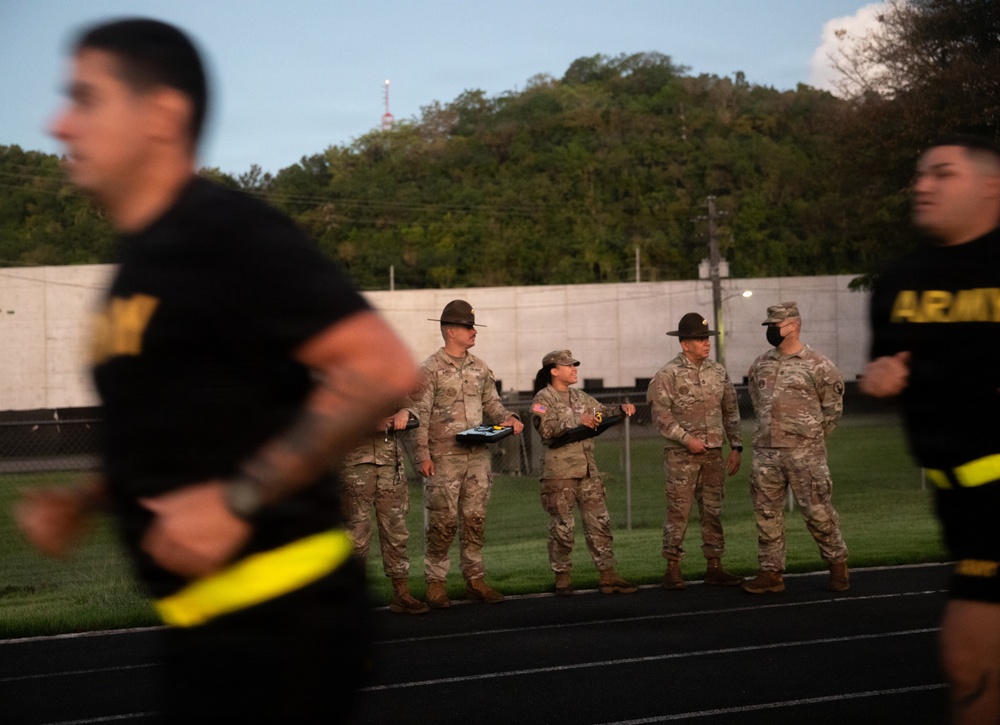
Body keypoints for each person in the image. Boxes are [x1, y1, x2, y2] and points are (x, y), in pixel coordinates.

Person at [14, 18, 417, 723]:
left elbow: (380, 367)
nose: (58, 123)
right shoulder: (137, 272)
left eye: (84, 98)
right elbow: (182, 434)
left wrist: (236, 499)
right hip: (206, 627)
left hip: (283, 622)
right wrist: (86, 498)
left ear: (162, 116)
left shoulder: (224, 231)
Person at [860, 135, 1000, 725]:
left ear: (991, 186)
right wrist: (881, 377)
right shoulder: (900, 280)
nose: (923, 185)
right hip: (958, 500)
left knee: (968, 657)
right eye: (919, 175)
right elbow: (886, 365)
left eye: (943, 174)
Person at [407, 300, 524, 608]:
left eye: (473, 327)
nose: (474, 332)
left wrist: (508, 417)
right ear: (450, 331)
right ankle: (435, 582)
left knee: (475, 519)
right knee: (443, 523)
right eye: (468, 327)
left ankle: (474, 579)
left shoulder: (480, 368)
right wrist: (422, 456)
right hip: (444, 458)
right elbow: (418, 416)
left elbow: (493, 405)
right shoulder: (429, 370)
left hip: (477, 456)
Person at [742, 302, 849, 595]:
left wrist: (808, 438)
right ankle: (770, 573)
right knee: (766, 514)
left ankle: (838, 564)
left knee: (818, 513)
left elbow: (832, 411)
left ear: (793, 326)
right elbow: (757, 401)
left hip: (805, 454)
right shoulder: (761, 364)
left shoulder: (820, 366)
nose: (771, 331)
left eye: (775, 325)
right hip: (766, 453)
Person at [646, 313, 743, 591]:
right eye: (700, 339)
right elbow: (661, 416)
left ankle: (714, 566)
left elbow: (731, 411)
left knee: (713, 510)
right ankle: (672, 568)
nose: (705, 343)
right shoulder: (668, 375)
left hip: (713, 454)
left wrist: (735, 445)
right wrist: (686, 439)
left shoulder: (718, 372)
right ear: (684, 343)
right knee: (679, 511)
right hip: (681, 456)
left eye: (707, 338)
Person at [531, 350, 638, 595]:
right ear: (554, 371)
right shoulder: (542, 398)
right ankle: (563, 578)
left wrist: (620, 409)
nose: (574, 369)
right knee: (562, 527)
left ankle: (608, 575)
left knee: (600, 523)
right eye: (568, 365)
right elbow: (546, 429)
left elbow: (600, 411)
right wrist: (577, 421)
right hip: (560, 474)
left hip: (588, 471)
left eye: (575, 365)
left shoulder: (580, 396)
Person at [340, 408, 429, 615]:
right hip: (355, 466)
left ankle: (401, 594)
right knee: (356, 536)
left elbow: (413, 402)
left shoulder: (384, 377)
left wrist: (405, 412)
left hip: (390, 465)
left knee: (396, 531)